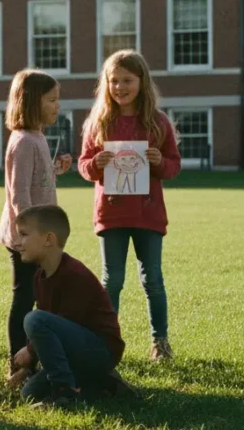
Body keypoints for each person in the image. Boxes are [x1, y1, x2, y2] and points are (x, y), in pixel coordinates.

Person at [78, 50, 182, 361]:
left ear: (142, 81)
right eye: (114, 81)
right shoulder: (99, 122)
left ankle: (160, 342)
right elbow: (84, 166)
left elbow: (174, 166)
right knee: (112, 281)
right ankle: (105, 341)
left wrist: (159, 162)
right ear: (105, 85)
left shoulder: (157, 122)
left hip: (148, 213)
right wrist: (95, 163)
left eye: (128, 80)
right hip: (111, 214)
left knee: (153, 278)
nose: (121, 87)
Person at [0, 69, 72, 383]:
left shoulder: (37, 137)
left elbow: (36, 182)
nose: (58, 106)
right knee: (24, 299)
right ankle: (19, 364)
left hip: (37, 237)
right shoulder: (24, 141)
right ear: (32, 102)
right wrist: (32, 237)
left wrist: (53, 170)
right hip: (26, 240)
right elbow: (19, 195)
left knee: (37, 297)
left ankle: (32, 357)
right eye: (52, 100)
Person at [12, 205, 126, 407]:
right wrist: (30, 367)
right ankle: (101, 385)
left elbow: (64, 323)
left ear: (49, 239)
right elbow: (52, 334)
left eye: (23, 235)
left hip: (100, 351)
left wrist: (30, 351)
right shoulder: (39, 277)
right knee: (29, 393)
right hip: (75, 350)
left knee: (34, 318)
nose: (16, 242)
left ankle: (65, 394)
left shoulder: (74, 275)